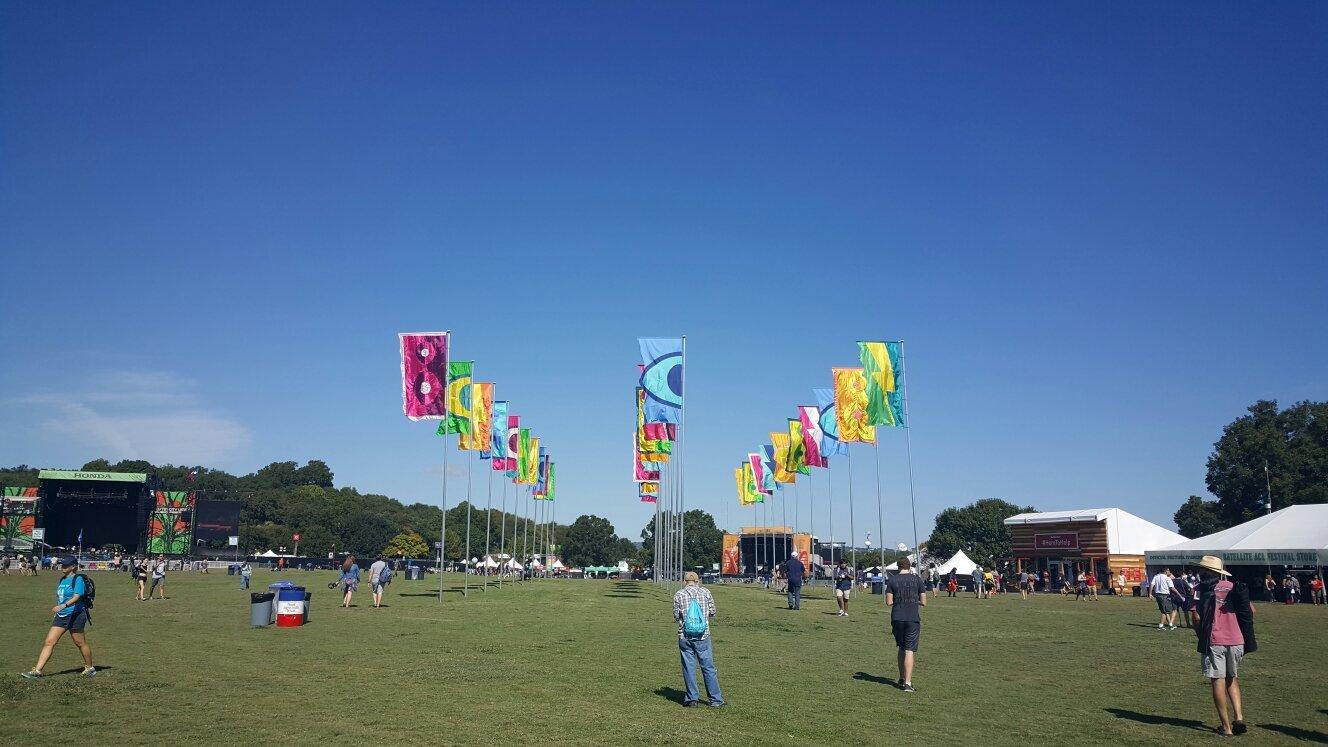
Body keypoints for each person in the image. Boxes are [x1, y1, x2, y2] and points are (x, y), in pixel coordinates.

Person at [1194, 555, 1256, 737]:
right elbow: (1250, 611)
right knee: (1232, 678)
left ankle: (1226, 727)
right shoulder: (1233, 587)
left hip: (1214, 640)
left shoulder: (1201, 589)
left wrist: (1200, 635)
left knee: (1217, 680)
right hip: (1237, 640)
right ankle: (1239, 717)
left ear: (1207, 571)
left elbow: (1196, 617)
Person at [21, 556, 95, 679]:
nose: (63, 567)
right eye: (62, 564)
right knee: (49, 642)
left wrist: (63, 606)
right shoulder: (62, 579)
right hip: (61, 616)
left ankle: (90, 667)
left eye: (66, 565)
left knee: (79, 642)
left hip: (76, 615)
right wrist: (60, 609)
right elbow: (61, 597)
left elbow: (77, 596)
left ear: (73, 567)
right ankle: (37, 671)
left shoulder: (78, 579)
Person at [672, 571, 724, 707]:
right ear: (697, 581)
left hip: (685, 636)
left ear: (684, 582)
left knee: (689, 667)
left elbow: (676, 616)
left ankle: (691, 699)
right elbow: (713, 612)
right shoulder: (705, 592)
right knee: (708, 667)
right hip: (703, 635)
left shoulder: (679, 594)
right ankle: (715, 699)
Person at [885, 556, 926, 693]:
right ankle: (908, 683)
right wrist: (914, 601)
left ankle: (901, 678)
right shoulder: (917, 580)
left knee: (901, 647)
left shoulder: (892, 580)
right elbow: (924, 602)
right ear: (909, 566)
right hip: (912, 617)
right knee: (910, 649)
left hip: (897, 617)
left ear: (898, 567)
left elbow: (889, 602)